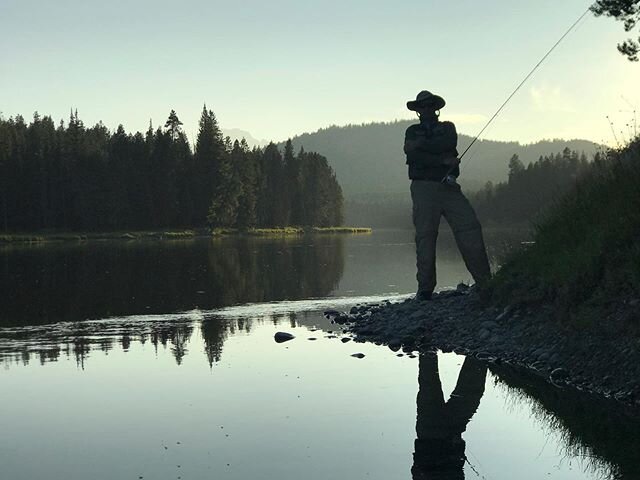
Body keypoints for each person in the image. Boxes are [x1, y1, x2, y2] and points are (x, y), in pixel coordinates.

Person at [404, 90, 491, 301]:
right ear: (417, 111)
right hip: (423, 188)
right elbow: (412, 153)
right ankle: (425, 290)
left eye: (428, 105)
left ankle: (486, 282)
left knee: (470, 227)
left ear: (436, 107)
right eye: (421, 107)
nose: (425, 109)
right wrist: (442, 161)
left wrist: (423, 148)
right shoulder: (411, 130)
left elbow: (445, 145)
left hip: (449, 187)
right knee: (425, 236)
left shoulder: (447, 128)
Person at [412, 353, 488, 479]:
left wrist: (456, 449)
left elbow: (419, 467)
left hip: (436, 433)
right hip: (437, 432)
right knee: (429, 380)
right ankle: (428, 342)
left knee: (470, 392)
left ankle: (478, 351)